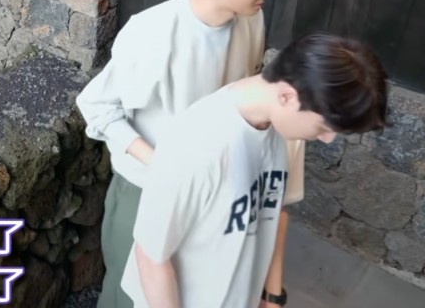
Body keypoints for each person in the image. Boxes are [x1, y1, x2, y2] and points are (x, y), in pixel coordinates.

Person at [75, 0, 304, 308]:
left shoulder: (251, 20)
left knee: (188, 291)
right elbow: (97, 106)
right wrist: (164, 165)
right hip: (147, 188)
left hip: (215, 191)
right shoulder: (153, 31)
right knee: (129, 297)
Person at [121, 32, 390, 308]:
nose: (327, 139)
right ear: (287, 96)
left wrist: (271, 296)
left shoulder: (282, 129)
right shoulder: (198, 142)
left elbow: (273, 211)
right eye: (323, 126)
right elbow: (151, 256)